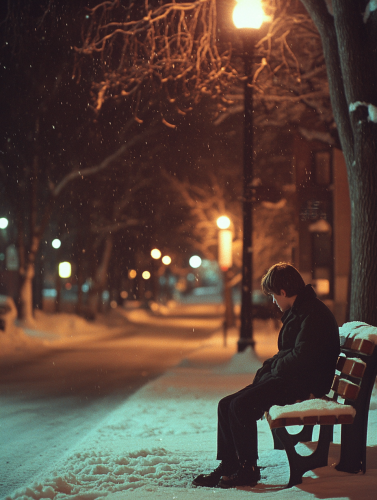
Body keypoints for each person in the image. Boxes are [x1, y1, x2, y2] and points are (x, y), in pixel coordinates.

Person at [192, 262, 340, 489]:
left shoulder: (312, 314)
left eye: (273, 295)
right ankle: (230, 465)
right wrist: (267, 369)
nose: (273, 301)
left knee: (240, 406)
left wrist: (274, 368)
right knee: (226, 404)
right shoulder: (301, 310)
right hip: (291, 379)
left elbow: (302, 357)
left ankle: (248, 470)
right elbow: (287, 353)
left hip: (304, 384)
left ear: (283, 292)